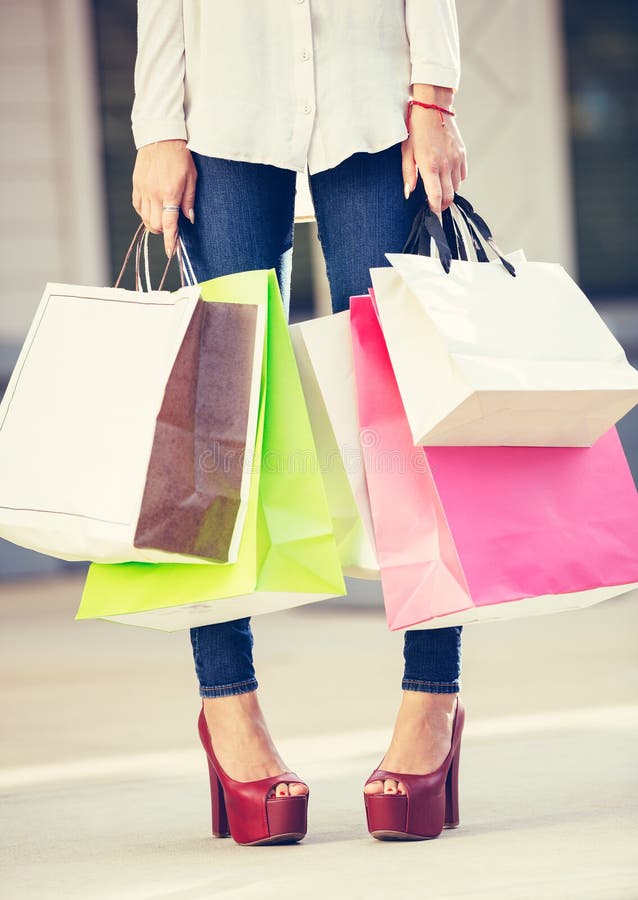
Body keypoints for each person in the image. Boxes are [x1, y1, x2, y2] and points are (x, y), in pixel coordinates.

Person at [131, 0, 467, 845]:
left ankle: (434, 699)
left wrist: (436, 100)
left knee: (407, 413)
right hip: (223, 115)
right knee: (213, 426)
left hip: (375, 101)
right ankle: (228, 710)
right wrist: (155, 125)